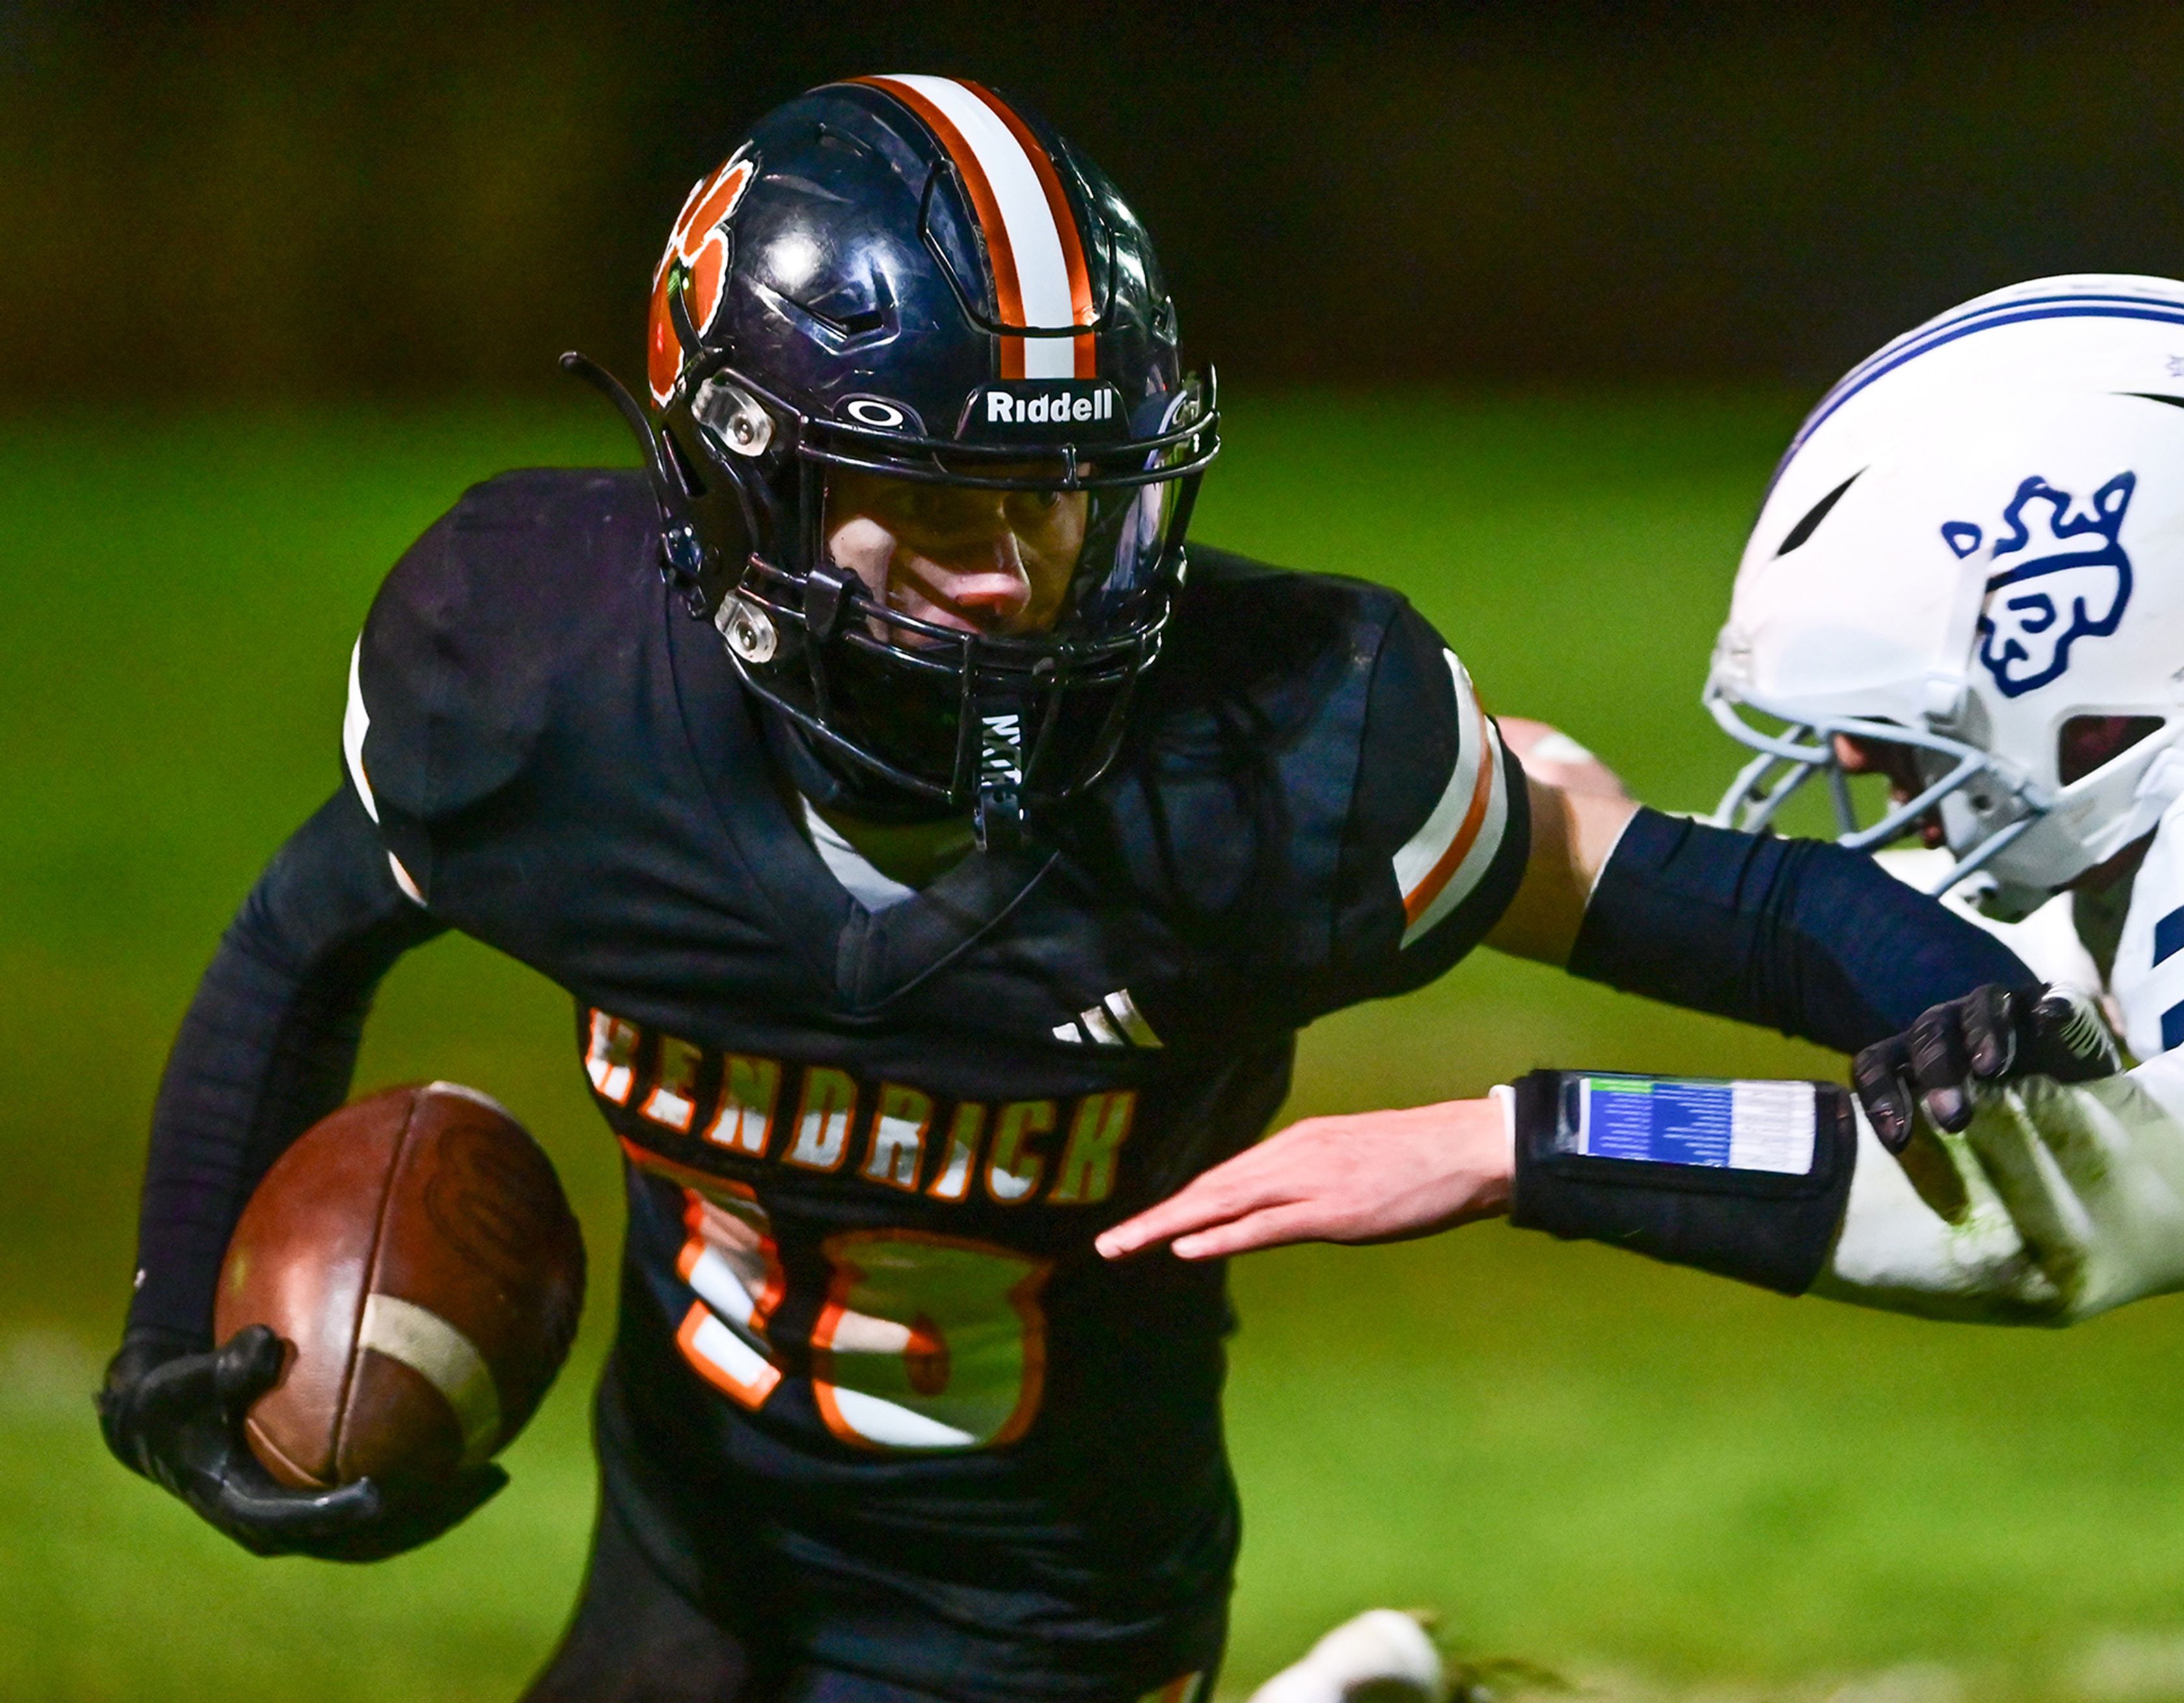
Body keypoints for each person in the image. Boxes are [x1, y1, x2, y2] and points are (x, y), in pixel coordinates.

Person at [91, 79, 2037, 1703]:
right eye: (942, 506)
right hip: (691, 1551)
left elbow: (1678, 897)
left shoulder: (1280, 747)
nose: (1019, 575)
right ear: (739, 486)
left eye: (1066, 496)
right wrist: (183, 1329)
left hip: (1052, 1612)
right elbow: (303, 933)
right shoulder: (539, 686)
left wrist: (1940, 984)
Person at [1102, 275, 2184, 1519]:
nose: (1848, 758)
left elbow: (2132, 1192)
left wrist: (1523, 1141)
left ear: (2112, 627)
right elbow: (2052, 969)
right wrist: (1584, 830)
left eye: (1897, 717)